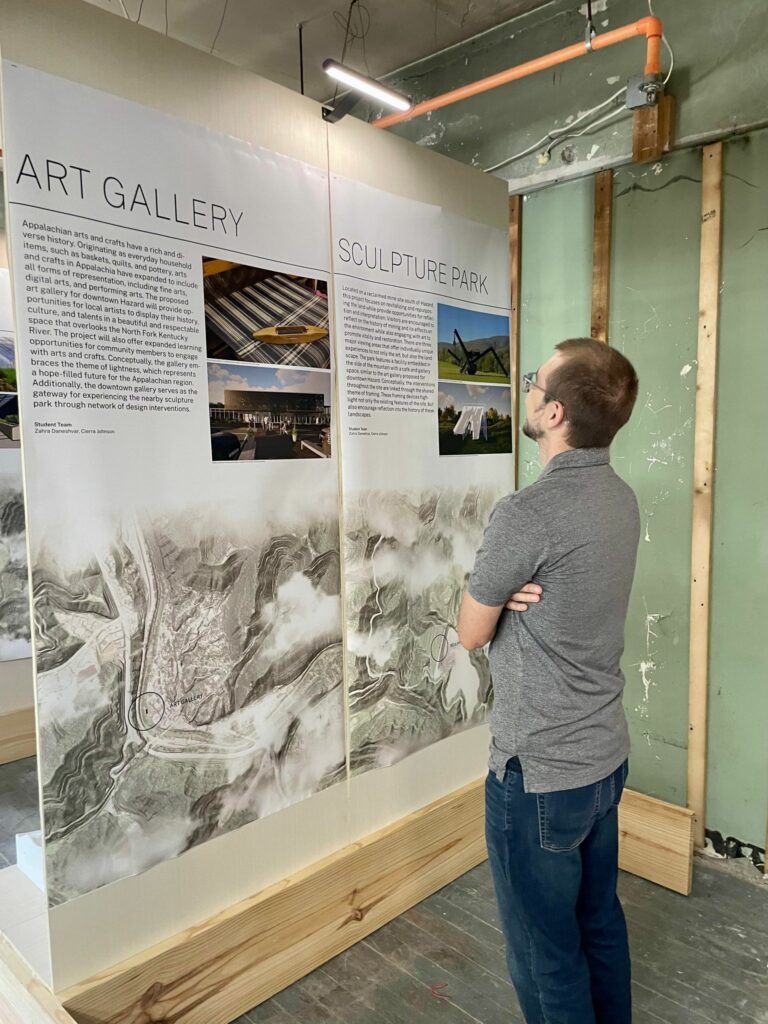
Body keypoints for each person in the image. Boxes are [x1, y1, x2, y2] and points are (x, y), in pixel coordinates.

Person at [458, 337, 641, 1024]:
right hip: (603, 759)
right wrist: (509, 594)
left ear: (555, 412)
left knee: (545, 954)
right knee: (599, 922)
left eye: (535, 380)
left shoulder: (525, 514)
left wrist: (493, 597)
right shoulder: (620, 499)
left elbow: (469, 631)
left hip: (538, 776)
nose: (526, 386)